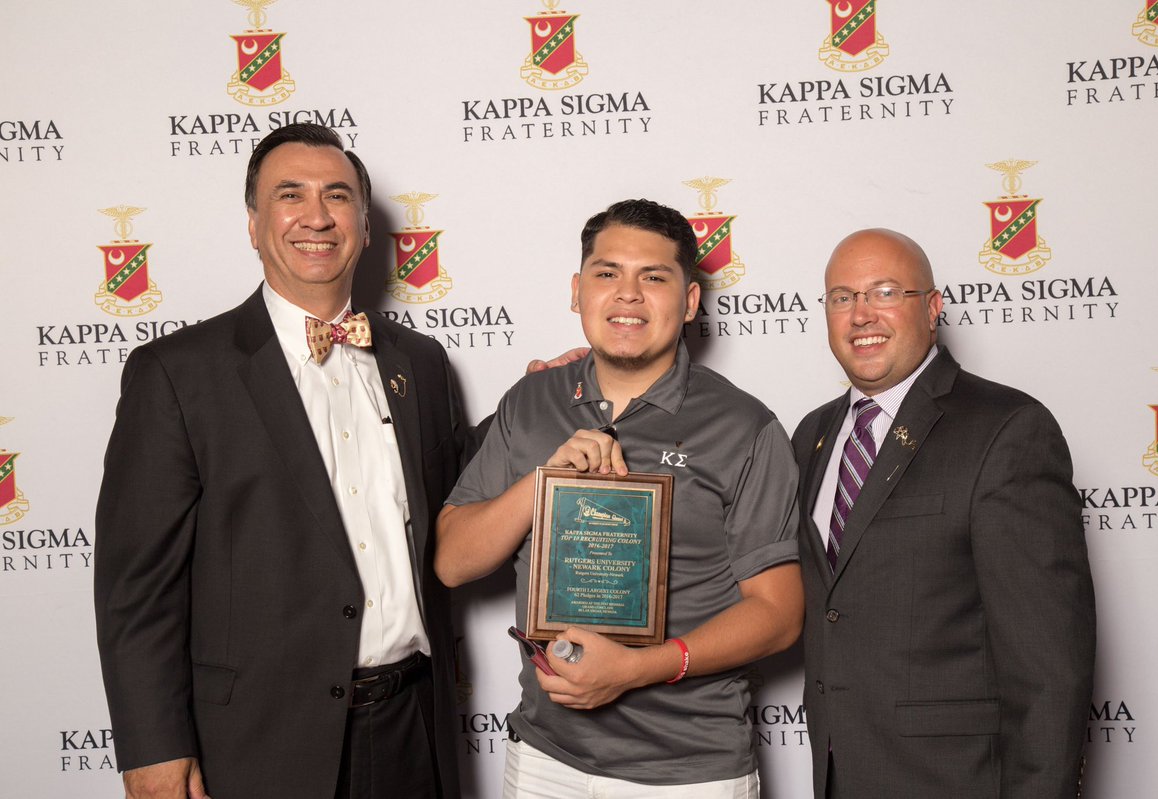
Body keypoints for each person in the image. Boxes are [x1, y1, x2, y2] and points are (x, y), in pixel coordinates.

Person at [95, 123, 475, 799]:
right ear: (253, 223)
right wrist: (152, 749)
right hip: (258, 743)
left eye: (337, 195)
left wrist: (549, 402)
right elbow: (136, 591)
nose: (317, 215)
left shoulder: (421, 362)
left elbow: (459, 507)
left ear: (362, 222)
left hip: (414, 730)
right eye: (289, 195)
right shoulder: (178, 374)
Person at [436, 199, 804, 798]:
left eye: (653, 277)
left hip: (689, 771)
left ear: (689, 302)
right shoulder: (530, 402)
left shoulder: (745, 427)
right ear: (578, 291)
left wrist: (637, 669)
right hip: (543, 759)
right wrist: (542, 481)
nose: (628, 295)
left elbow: (779, 614)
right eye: (608, 274)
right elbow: (453, 561)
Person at [790, 228, 1096, 798]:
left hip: (957, 780)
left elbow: (1051, 668)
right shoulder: (813, 434)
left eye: (885, 292)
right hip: (840, 775)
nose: (861, 314)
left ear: (932, 309)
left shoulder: (1005, 429)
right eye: (842, 297)